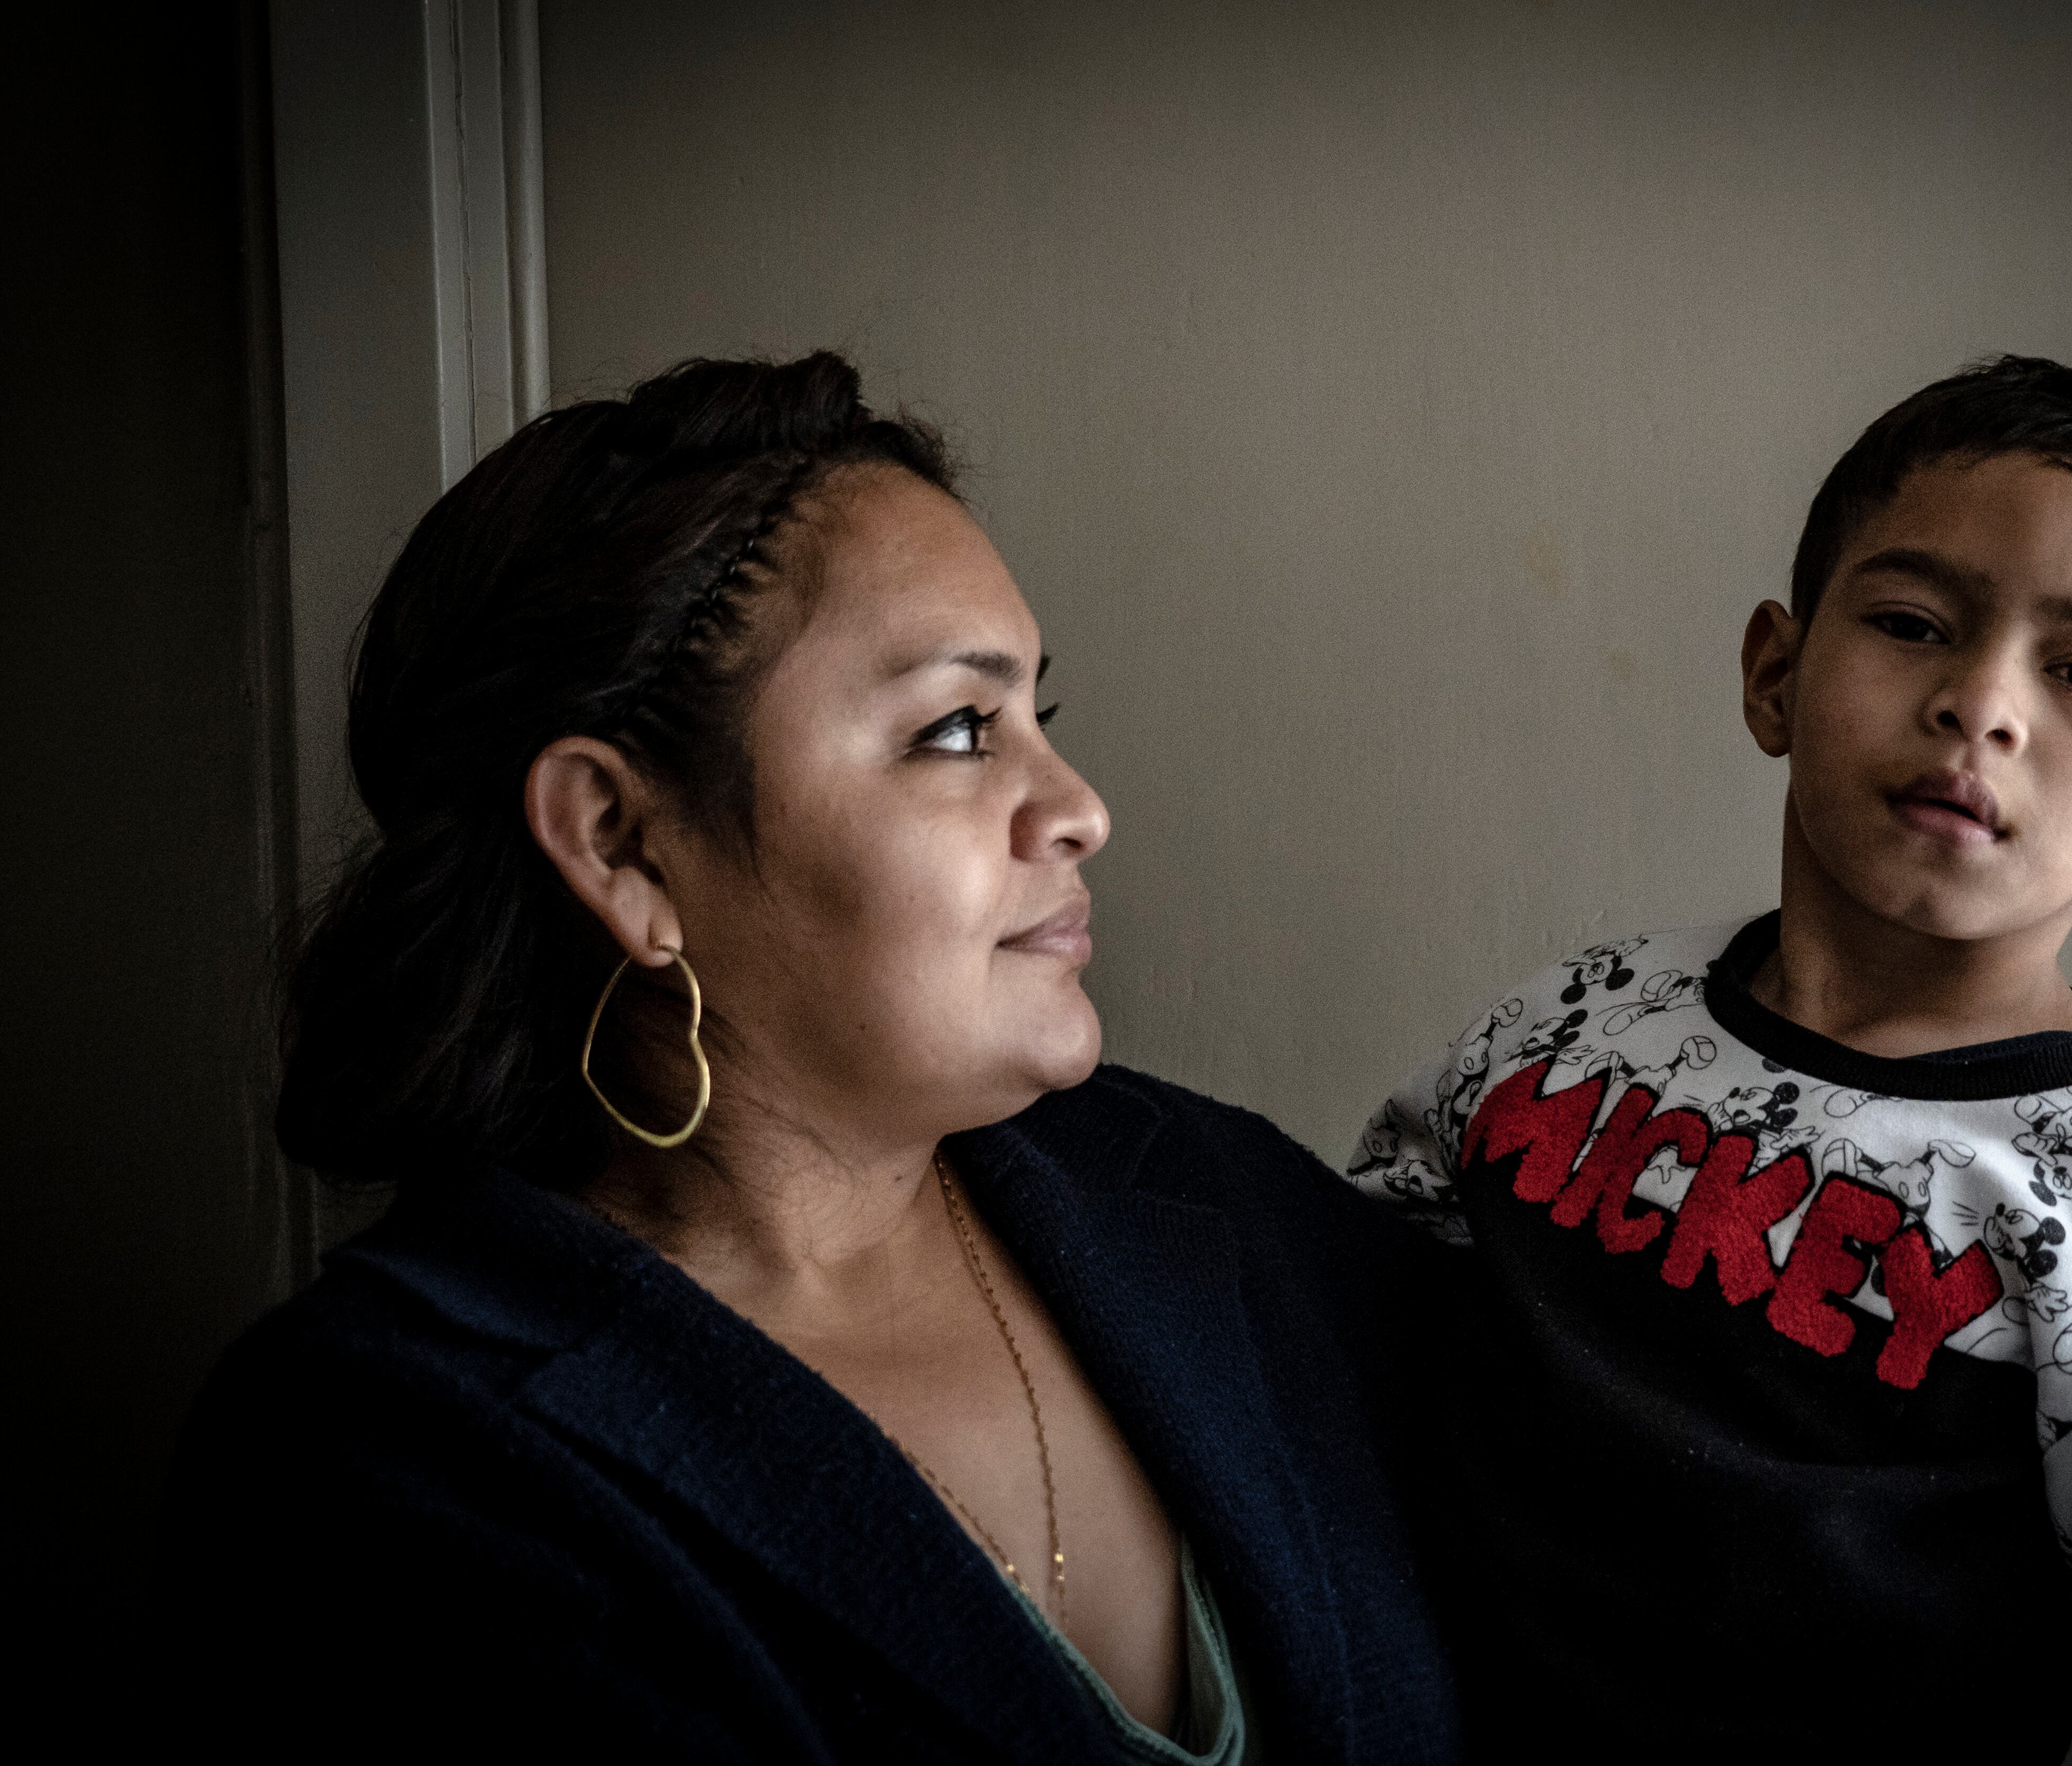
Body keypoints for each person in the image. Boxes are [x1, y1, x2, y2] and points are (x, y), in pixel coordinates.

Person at [158, 354, 1458, 1763]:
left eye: (1042, 721)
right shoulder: (380, 1464)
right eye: (959, 732)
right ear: (620, 842)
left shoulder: (1216, 1199)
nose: (1078, 809)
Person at [1346, 357, 2072, 1762]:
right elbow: (1335, 1331)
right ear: (1775, 673)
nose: (1982, 707)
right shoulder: (1580, 1018)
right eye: (1910, 622)